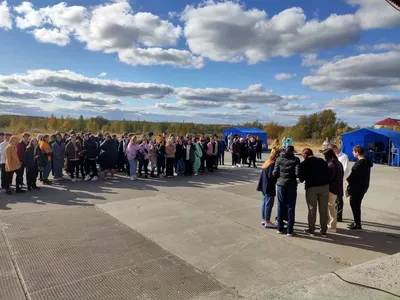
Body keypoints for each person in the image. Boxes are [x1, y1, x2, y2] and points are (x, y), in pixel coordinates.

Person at [298, 148, 330, 237]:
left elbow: (301, 178)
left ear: (305, 154)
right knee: (323, 209)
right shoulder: (322, 161)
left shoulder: (304, 164)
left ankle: (311, 229)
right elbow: (328, 172)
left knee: (312, 209)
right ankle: (323, 230)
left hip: (312, 187)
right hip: (324, 187)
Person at [272, 146, 300, 236]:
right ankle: (290, 230)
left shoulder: (279, 159)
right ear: (292, 151)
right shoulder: (296, 159)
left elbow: (274, 173)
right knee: (291, 206)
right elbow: (297, 174)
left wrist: (280, 178)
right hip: (291, 184)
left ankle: (280, 228)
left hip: (281, 184)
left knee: (280, 205)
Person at [346, 146, 373, 230]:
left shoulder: (358, 164)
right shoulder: (367, 162)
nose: (352, 153)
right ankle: (357, 222)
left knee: (354, 204)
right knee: (357, 204)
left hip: (356, 187)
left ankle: (357, 223)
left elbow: (353, 176)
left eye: (353, 151)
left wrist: (348, 183)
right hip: (363, 186)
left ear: (357, 152)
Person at [257, 150, 280, 228]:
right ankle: (267, 221)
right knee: (269, 204)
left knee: (264, 203)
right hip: (268, 186)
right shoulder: (273, 164)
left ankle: (264, 219)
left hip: (263, 185)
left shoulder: (268, 162)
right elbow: (272, 175)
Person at [323, 149, 344, 233]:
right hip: (337, 188)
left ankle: (332, 226)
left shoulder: (331, 165)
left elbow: (329, 178)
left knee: (331, 207)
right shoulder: (338, 163)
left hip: (331, 189)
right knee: (332, 207)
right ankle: (331, 224)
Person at [329, 144, 350, 222]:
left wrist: (341, 179)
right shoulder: (332, 156)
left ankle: (339, 215)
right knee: (332, 199)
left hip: (339, 180)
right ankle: (333, 213)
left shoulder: (344, 157)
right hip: (333, 181)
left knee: (339, 198)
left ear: (336, 148)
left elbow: (346, 169)